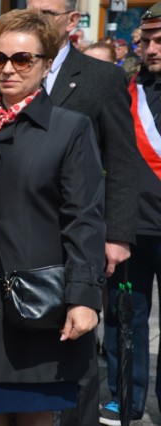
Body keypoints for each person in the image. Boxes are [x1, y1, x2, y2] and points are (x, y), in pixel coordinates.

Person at [0, 9, 106, 425]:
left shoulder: (71, 128)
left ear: (47, 63)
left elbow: (83, 218)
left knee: (33, 419)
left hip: (40, 306)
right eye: (0, 58)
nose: (9, 69)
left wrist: (84, 297)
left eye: (23, 60)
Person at [26, 2, 140, 425]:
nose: (36, 19)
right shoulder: (9, 71)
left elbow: (122, 161)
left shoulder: (102, 78)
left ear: (72, 21)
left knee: (77, 348)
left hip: (80, 235)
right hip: (24, 233)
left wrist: (118, 235)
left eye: (48, 12)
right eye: (29, 8)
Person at [100, 5, 161, 424]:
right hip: (132, 226)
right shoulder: (128, 88)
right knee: (125, 319)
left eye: (159, 39)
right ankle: (126, 397)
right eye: (146, 40)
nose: (151, 48)